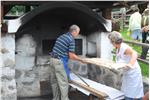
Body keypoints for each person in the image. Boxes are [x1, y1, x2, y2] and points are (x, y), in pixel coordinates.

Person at [49, 25, 85, 100]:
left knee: (54, 82)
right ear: (74, 31)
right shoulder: (71, 39)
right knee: (64, 83)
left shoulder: (62, 36)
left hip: (52, 60)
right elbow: (71, 56)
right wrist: (81, 60)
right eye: (77, 33)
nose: (77, 34)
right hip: (59, 61)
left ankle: (55, 98)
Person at [108, 31, 144, 100]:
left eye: (111, 41)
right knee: (126, 92)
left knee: (133, 94)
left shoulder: (124, 48)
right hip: (127, 73)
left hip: (133, 73)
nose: (110, 43)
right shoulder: (117, 48)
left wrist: (130, 64)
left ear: (113, 41)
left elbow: (135, 53)